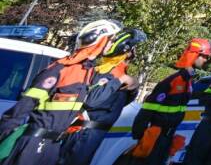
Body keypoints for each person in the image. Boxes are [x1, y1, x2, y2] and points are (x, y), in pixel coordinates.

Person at [0, 20, 123, 165]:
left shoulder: (87, 72)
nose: (110, 45)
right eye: (109, 40)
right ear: (98, 40)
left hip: (54, 146)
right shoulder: (60, 69)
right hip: (33, 144)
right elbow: (21, 109)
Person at [59, 28, 146, 165]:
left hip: (95, 132)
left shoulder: (120, 71)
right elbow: (92, 100)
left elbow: (118, 103)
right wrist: (120, 80)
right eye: (133, 49)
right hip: (84, 133)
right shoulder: (110, 71)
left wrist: (133, 89)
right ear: (126, 51)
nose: (135, 52)